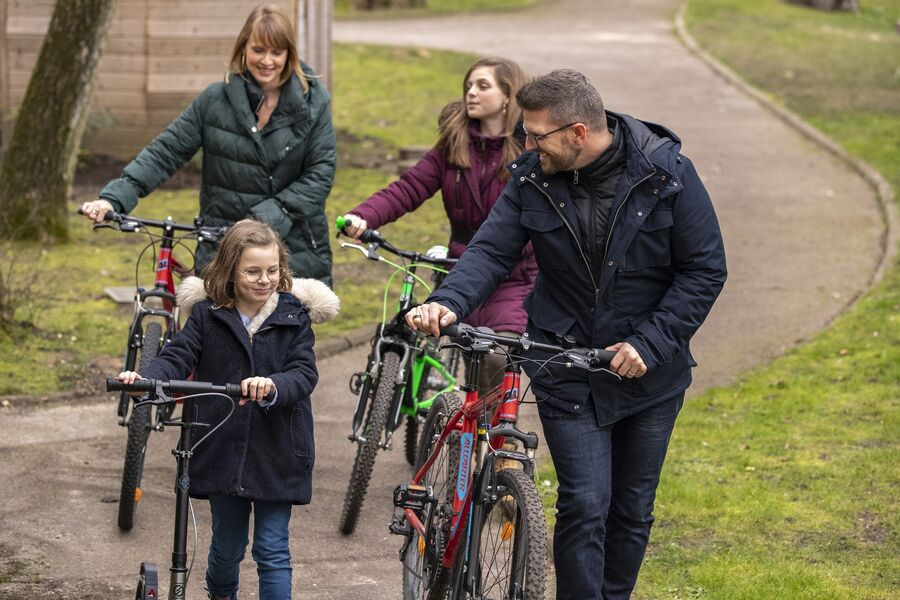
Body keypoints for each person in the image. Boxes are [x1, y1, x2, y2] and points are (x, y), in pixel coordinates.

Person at [408, 69, 727, 599]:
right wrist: (447, 302)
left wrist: (649, 343)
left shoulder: (666, 174)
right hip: (564, 366)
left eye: (536, 135)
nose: (527, 144)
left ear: (579, 132)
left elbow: (704, 270)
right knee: (583, 503)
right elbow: (490, 249)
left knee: (632, 509)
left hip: (650, 377)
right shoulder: (533, 177)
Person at [117, 219, 340, 599]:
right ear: (230, 270)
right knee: (227, 547)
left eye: (273, 271)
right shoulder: (208, 314)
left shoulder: (293, 317)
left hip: (278, 450)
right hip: (223, 446)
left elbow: (304, 373)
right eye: (253, 271)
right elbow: (178, 355)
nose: (264, 279)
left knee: (272, 550)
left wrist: (273, 385)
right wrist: (146, 379)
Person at [81, 4, 336, 286]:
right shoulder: (215, 101)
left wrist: (261, 220)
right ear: (243, 48)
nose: (267, 61)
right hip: (221, 246)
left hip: (292, 250)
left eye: (277, 52)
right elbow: (166, 151)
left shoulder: (313, 105)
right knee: (212, 328)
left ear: (289, 54)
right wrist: (114, 198)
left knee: (280, 328)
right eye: (258, 50)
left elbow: (320, 174)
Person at [341, 56, 537, 392]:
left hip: (514, 277)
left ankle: (495, 440)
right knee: (467, 364)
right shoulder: (453, 144)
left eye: (482, 86)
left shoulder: (529, 150)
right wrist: (363, 215)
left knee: (495, 360)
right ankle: (462, 436)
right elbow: (409, 187)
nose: (471, 93)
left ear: (508, 95)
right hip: (461, 270)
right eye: (468, 86)